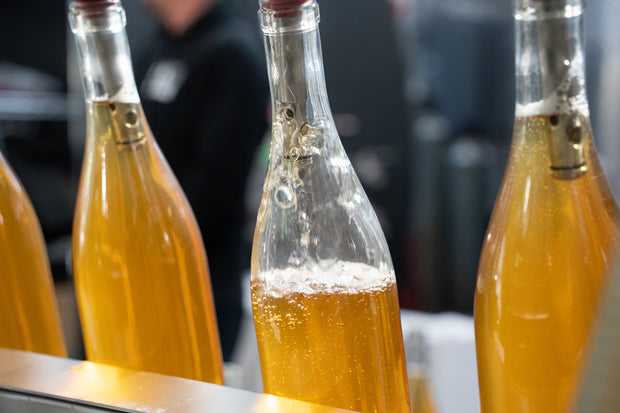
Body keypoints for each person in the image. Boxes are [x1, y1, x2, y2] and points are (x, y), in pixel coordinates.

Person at [136, 0, 269, 361]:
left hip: (199, 287)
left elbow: (216, 188)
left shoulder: (232, 54)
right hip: (141, 278)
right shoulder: (157, 47)